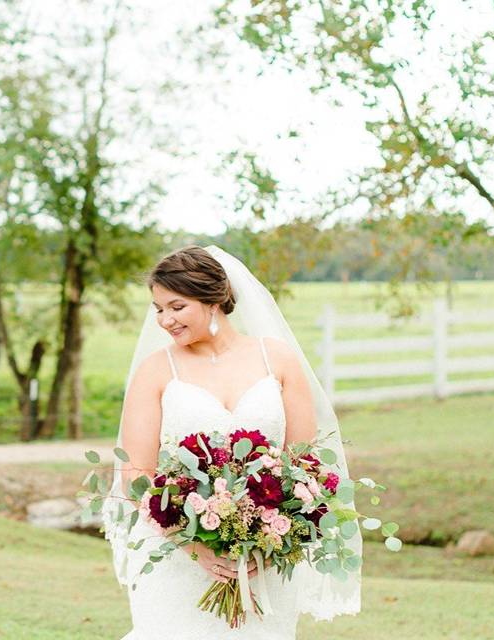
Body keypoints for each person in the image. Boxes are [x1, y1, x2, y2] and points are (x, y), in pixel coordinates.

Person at [103, 245, 361, 639]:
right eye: (158, 309)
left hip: (262, 561)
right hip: (176, 555)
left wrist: (269, 533)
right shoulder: (155, 370)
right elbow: (136, 477)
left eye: (176, 306)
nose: (164, 320)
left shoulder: (277, 359)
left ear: (213, 299)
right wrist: (194, 547)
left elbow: (303, 465)